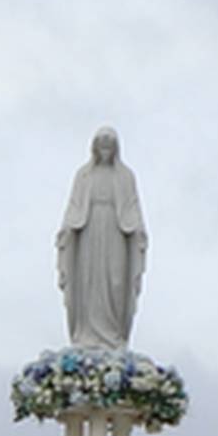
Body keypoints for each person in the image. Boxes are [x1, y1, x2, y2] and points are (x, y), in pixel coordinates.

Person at [55, 128, 148, 350]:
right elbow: (75, 205)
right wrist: (67, 227)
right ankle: (86, 334)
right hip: (89, 230)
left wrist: (137, 229)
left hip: (116, 231)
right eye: (101, 146)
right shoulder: (84, 175)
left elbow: (132, 206)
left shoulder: (125, 176)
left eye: (109, 146)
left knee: (115, 280)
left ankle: (113, 335)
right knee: (88, 280)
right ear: (95, 148)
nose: (105, 151)